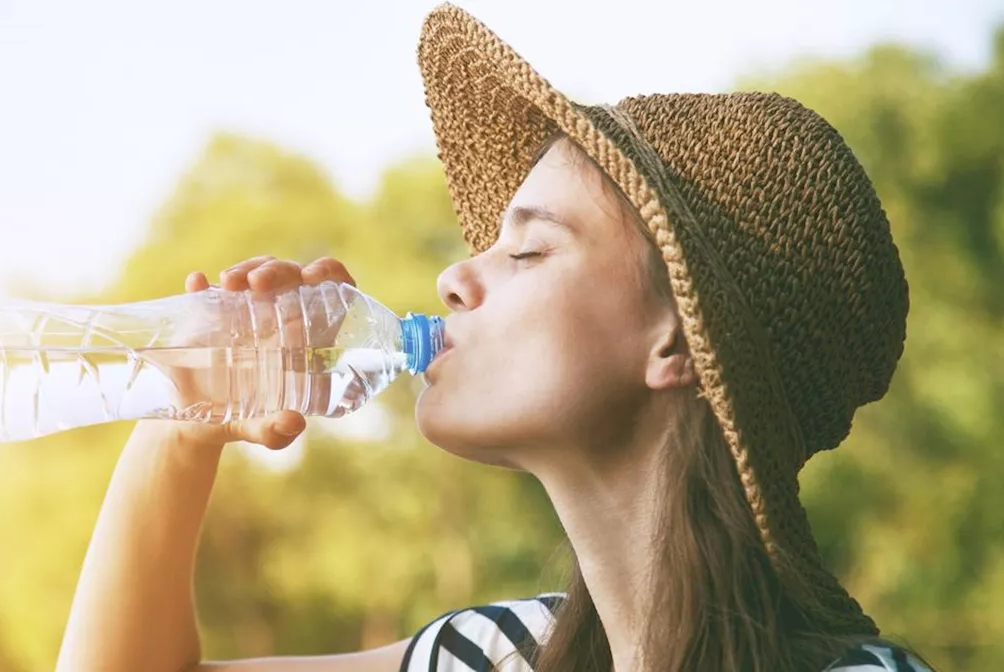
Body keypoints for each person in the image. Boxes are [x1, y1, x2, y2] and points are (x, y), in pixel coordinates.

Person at [55, 4, 935, 671]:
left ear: (675, 339)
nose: (454, 280)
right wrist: (178, 432)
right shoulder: (497, 653)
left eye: (530, 247)